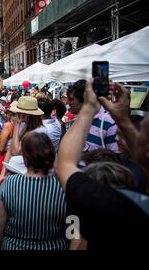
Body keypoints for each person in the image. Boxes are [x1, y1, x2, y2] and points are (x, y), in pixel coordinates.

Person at [55, 79, 149, 250]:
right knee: (72, 229)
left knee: (80, 234)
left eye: (72, 100)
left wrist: (89, 109)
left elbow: (64, 163)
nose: (68, 103)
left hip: (95, 186)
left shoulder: (107, 122)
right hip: (80, 187)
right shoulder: (77, 121)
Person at [0, 131, 68, 250]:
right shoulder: (63, 185)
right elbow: (73, 225)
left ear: (25, 158)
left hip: (14, 246)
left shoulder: (9, 183)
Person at [67, 79, 119, 153]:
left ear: (85, 100)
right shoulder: (74, 122)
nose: (68, 102)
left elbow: (115, 159)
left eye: (71, 99)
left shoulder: (110, 123)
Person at [0, 105, 15, 186]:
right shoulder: (25, 125)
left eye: (7, 113)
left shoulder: (8, 125)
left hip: (6, 156)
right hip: (19, 158)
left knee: (2, 185)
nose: (6, 115)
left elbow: (1, 148)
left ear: (11, 114)